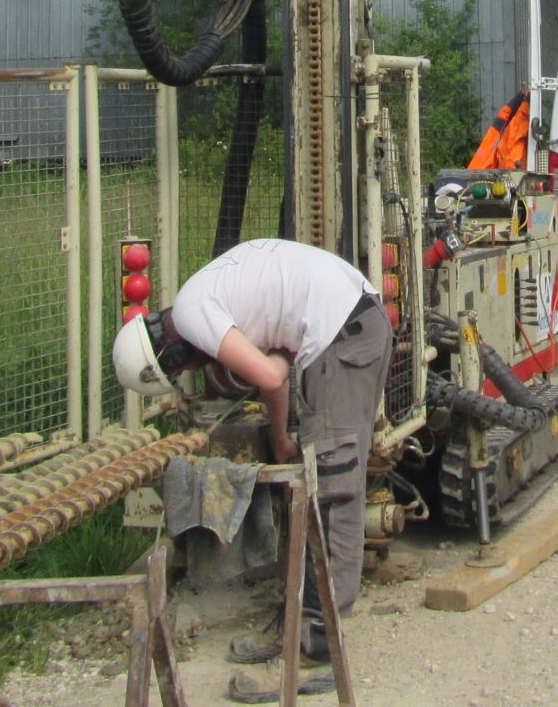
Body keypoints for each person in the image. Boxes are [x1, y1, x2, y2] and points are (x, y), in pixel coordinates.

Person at [112, 236, 392, 664]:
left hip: (342, 334)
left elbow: (269, 373)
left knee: (332, 495)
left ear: (168, 354)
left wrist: (280, 360)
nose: (192, 369)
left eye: (183, 367)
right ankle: (302, 626)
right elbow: (269, 365)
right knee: (330, 485)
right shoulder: (205, 295)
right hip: (355, 321)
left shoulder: (192, 315)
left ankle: (316, 645)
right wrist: (280, 438)